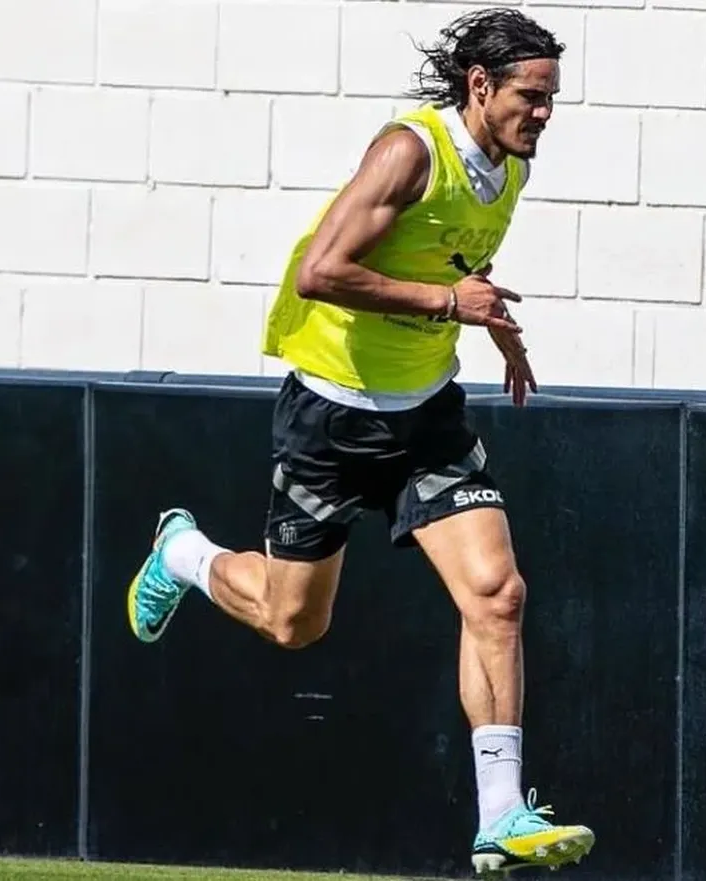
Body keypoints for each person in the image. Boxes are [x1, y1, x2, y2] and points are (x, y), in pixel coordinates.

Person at [125, 6, 594, 875]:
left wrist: (498, 327)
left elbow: (451, 262)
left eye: (553, 98)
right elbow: (322, 272)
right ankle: (184, 553)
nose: (545, 113)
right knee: (291, 623)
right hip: (333, 415)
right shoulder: (407, 151)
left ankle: (501, 814)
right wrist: (454, 307)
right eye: (532, 96)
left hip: (426, 416)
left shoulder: (512, 164)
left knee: (497, 593)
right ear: (479, 86)